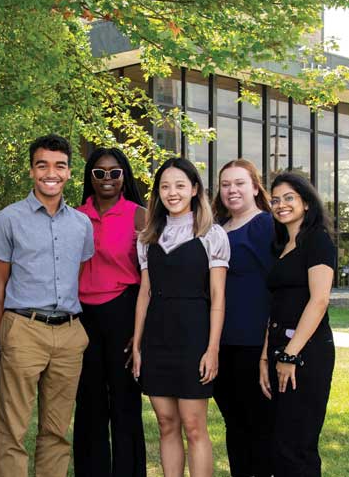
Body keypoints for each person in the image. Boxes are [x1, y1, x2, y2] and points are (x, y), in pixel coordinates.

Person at [0, 134, 94, 477]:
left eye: (59, 165)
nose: (51, 172)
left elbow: (74, 276)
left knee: (57, 430)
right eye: (43, 165)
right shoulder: (8, 219)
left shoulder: (81, 224)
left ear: (68, 172)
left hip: (69, 334)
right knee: (13, 429)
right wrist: (3, 336)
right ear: (32, 170)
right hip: (23, 329)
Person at [131, 157, 228, 477]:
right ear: (158, 193)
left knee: (194, 426)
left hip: (194, 338)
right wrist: (137, 346)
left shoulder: (212, 235)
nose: (172, 192)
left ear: (194, 189)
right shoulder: (147, 237)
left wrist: (212, 349)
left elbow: (218, 298)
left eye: (179, 185)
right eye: (165, 186)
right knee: (165, 423)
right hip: (157, 340)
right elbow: (144, 294)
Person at [73, 147, 147, 477]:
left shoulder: (139, 215)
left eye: (114, 172)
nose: (107, 179)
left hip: (124, 311)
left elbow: (151, 276)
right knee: (88, 403)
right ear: (90, 176)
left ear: (124, 177)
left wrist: (141, 329)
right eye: (99, 172)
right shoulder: (74, 215)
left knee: (125, 401)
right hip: (83, 316)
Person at [256, 172, 336, 477]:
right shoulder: (281, 246)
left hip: (307, 353)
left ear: (306, 201)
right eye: (275, 200)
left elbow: (319, 301)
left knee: (297, 446)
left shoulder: (318, 240)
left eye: (289, 197)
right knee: (280, 443)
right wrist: (267, 355)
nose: (281, 204)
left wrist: (290, 355)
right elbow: (276, 306)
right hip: (280, 349)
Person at [211, 159, 276, 477]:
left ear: (254, 187)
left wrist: (267, 345)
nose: (232, 190)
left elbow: (276, 287)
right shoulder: (214, 230)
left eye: (239, 183)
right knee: (234, 425)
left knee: (259, 428)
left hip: (254, 343)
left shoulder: (267, 225)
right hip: (220, 344)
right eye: (225, 184)